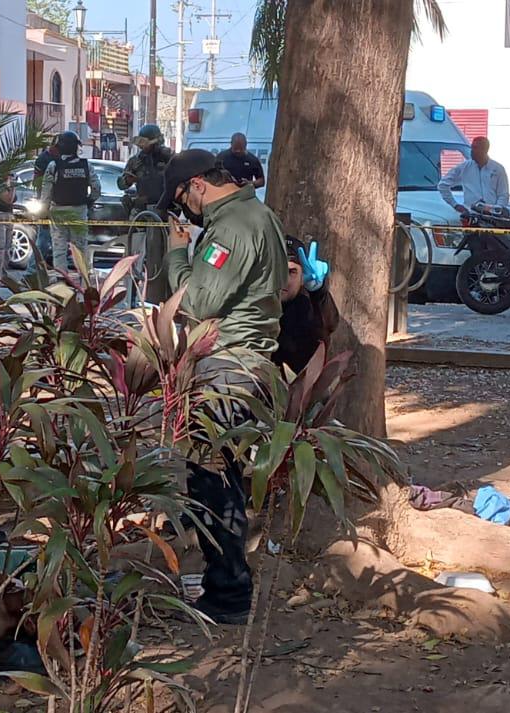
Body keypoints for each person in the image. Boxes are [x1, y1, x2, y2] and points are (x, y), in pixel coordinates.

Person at [155, 149, 287, 625]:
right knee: (222, 474)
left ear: (197, 185)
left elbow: (198, 302)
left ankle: (228, 594)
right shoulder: (258, 215)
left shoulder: (230, 228)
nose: (184, 210)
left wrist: (177, 253)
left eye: (181, 200)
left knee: (213, 480)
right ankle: (224, 584)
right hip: (248, 364)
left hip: (226, 367)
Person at [118, 123, 174, 303]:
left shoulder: (169, 158)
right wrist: (128, 180)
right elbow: (121, 183)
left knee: (163, 257)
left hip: (164, 211)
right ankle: (131, 297)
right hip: (141, 212)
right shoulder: (136, 161)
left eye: (146, 143)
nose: (143, 147)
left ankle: (163, 296)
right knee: (135, 254)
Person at [273, 236, 338, 374]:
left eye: (291, 272)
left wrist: (318, 292)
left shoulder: (306, 307)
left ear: (303, 277)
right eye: (277, 270)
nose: (283, 280)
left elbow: (328, 323)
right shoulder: (253, 304)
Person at [40, 131, 102, 274]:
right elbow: (96, 189)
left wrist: (44, 211)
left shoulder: (53, 166)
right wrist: (89, 201)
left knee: (59, 248)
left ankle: (61, 278)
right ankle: (83, 278)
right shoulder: (86, 165)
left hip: (58, 211)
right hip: (79, 211)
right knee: (80, 248)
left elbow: (46, 193)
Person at [438, 136, 509, 215]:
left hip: (492, 216)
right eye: (472, 147)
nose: (472, 151)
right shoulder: (464, 167)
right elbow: (442, 185)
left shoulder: (498, 169)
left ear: (485, 150)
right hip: (471, 215)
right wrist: (455, 205)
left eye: (475, 148)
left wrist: (497, 210)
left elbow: (503, 194)